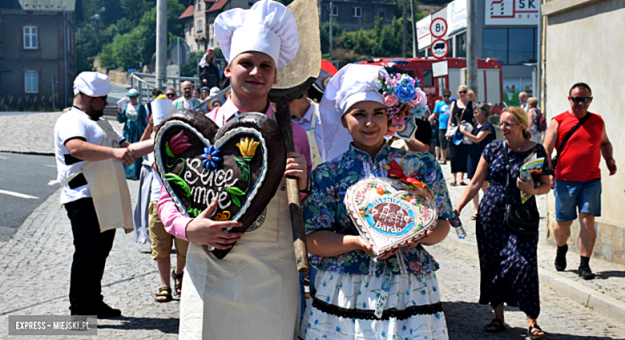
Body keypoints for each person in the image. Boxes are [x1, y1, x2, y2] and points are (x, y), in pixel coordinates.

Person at [157, 1, 311, 338]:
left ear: (275, 74)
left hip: (273, 272)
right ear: (227, 69)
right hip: (210, 265)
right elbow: (166, 196)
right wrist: (187, 227)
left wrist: (304, 182)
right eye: (246, 63)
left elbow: (309, 209)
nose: (255, 72)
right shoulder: (197, 131)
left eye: (265, 66)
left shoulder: (293, 134)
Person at [299, 63, 453, 340]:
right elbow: (312, 240)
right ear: (344, 120)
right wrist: (358, 243)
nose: (369, 122)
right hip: (345, 288)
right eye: (359, 114)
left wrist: (419, 236)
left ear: (391, 117)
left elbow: (441, 225)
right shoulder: (327, 174)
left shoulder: (420, 165)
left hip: (408, 287)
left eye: (378, 113)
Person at [54, 72, 154, 318]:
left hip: (104, 195)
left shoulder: (100, 122)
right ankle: (79, 309)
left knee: (100, 252)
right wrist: (113, 153)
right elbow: (75, 148)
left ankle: (93, 301)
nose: (106, 103)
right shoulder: (72, 120)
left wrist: (159, 139)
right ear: (87, 97)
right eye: (102, 98)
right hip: (83, 196)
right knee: (86, 252)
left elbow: (127, 150)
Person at [453, 106, 550, 339]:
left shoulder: (536, 151)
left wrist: (532, 189)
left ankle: (531, 320)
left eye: (508, 124)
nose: (503, 128)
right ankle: (498, 317)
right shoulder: (493, 148)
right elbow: (476, 183)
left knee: (525, 264)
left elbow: (547, 184)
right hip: (491, 214)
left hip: (523, 215)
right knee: (492, 264)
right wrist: (457, 208)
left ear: (521, 126)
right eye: (502, 124)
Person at [543, 82, 616, 280]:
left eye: (584, 99)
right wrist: (548, 173)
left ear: (590, 100)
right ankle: (561, 247)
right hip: (565, 180)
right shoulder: (558, 121)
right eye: (576, 99)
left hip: (591, 180)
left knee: (587, 221)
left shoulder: (597, 121)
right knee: (562, 225)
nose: (580, 103)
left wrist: (609, 159)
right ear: (570, 99)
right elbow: (546, 150)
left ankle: (585, 265)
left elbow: (605, 143)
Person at [459, 103, 496, 220]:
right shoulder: (476, 126)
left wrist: (463, 131)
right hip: (473, 156)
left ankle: (490, 208)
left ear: (483, 113)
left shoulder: (488, 127)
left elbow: (477, 139)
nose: (474, 115)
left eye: (476, 113)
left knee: (485, 185)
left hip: (484, 158)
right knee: (473, 184)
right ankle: (477, 211)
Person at [117, 88, 149, 180]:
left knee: (137, 150)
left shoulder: (141, 107)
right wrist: (119, 113)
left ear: (137, 97)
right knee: (127, 149)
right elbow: (121, 120)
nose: (133, 99)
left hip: (138, 131)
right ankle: (127, 172)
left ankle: (135, 172)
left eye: (134, 97)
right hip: (128, 130)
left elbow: (144, 121)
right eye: (131, 97)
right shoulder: (126, 106)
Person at [447, 85, 475, 185]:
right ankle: (454, 178)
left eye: (464, 92)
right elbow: (450, 119)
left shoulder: (471, 104)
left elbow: (474, 119)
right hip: (455, 132)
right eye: (460, 92)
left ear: (467, 92)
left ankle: (461, 178)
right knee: (454, 155)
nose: (462, 94)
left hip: (466, 132)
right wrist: (448, 132)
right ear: (457, 93)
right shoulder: (454, 103)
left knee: (464, 154)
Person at [434, 89, 454, 164]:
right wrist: (440, 120)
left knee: (453, 143)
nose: (446, 97)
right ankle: (444, 159)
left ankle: (453, 158)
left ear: (450, 96)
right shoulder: (439, 104)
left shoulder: (453, 103)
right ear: (442, 96)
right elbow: (435, 114)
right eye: (445, 96)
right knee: (443, 143)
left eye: (448, 96)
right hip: (442, 127)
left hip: (452, 126)